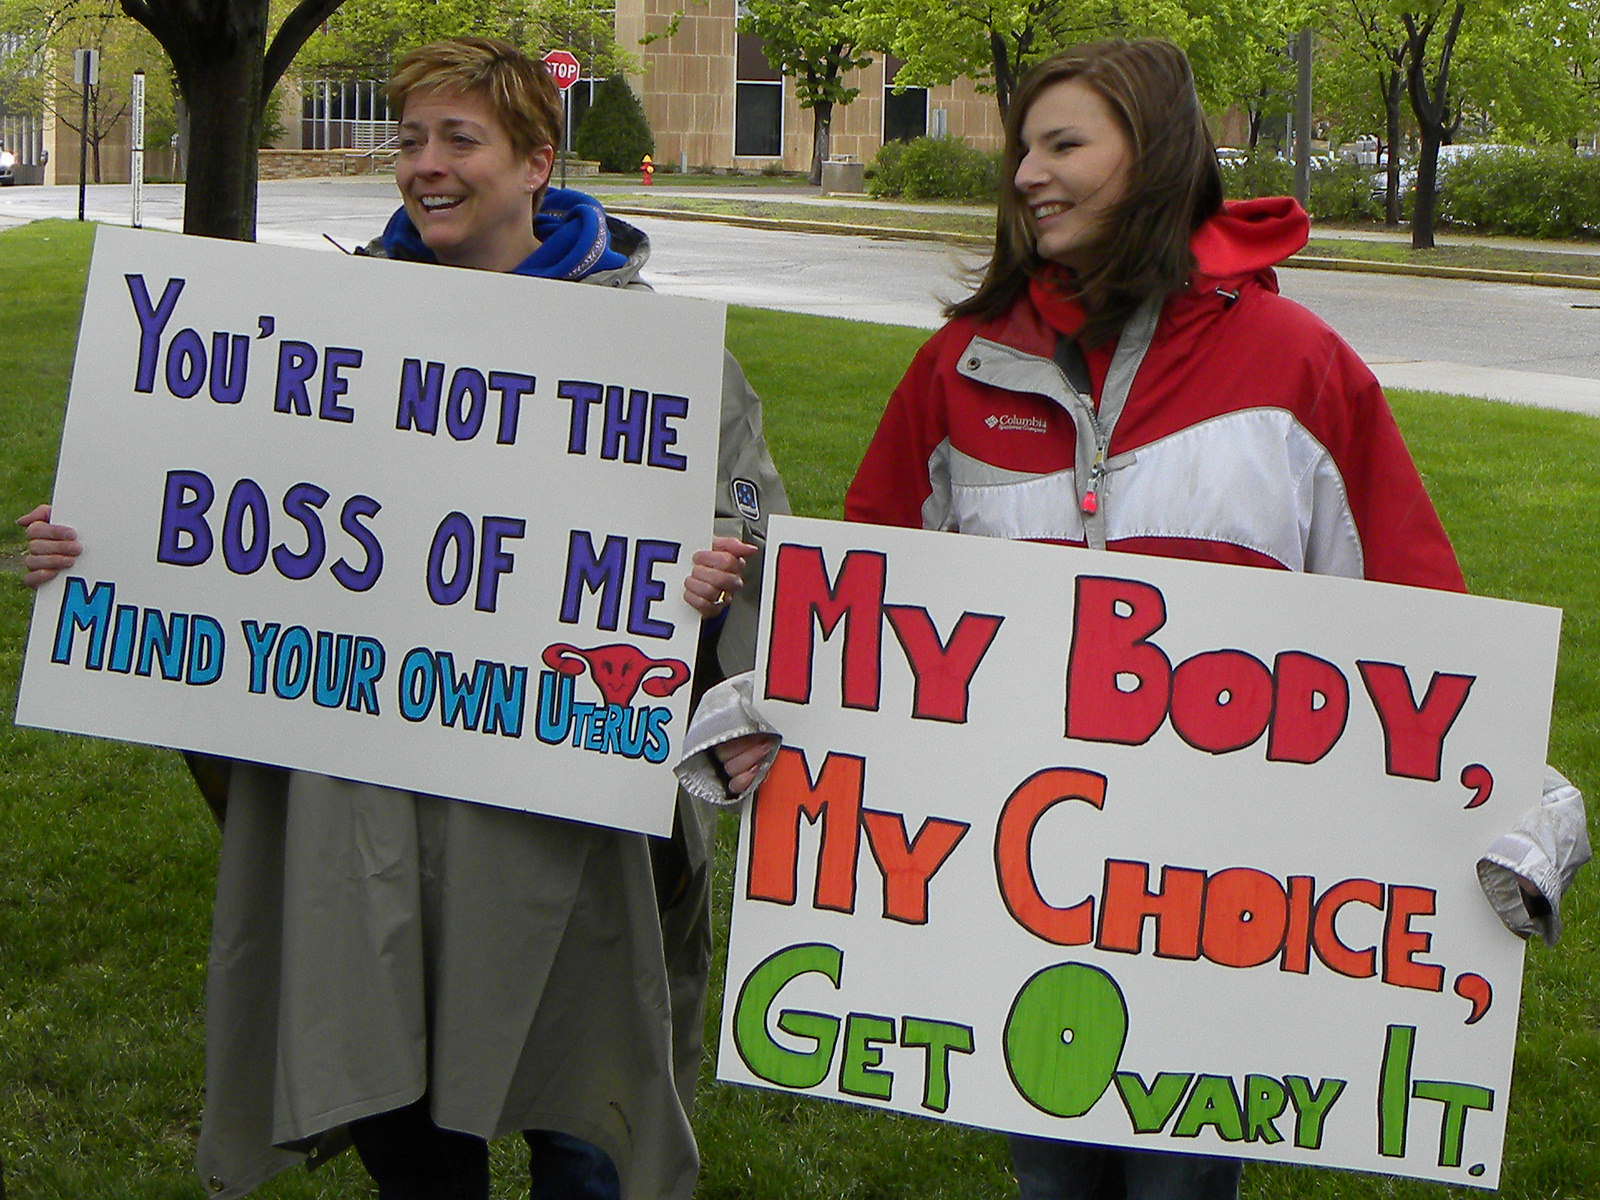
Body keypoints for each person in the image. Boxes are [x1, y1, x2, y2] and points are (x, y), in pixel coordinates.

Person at [681, 37, 1588, 1200]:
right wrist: (760, 712)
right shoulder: (957, 372)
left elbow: (1424, 632)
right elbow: (863, 626)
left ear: (1154, 156)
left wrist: (1521, 802)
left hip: (1229, 910)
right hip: (1007, 904)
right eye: (1022, 148)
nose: (1025, 175)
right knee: (1051, 1178)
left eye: (1063, 145)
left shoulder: (1300, 368)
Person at [19, 35, 789, 1200]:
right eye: (411, 139)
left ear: (536, 163)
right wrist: (100, 545)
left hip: (565, 811)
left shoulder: (659, 364)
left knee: (583, 1108)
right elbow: (219, 522)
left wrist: (715, 587)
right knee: (401, 1101)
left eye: (460, 139)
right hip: (368, 806)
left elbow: (757, 562)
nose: (426, 166)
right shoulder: (315, 341)